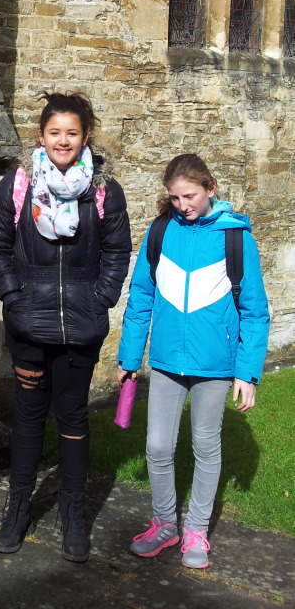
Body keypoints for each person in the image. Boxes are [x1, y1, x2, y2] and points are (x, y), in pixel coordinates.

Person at [0, 91, 131, 561]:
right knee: (28, 418)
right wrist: (13, 296)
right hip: (29, 324)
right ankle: (17, 508)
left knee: (72, 418)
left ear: (85, 137)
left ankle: (73, 511)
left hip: (81, 326)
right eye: (55, 132)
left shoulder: (104, 189)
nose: (63, 141)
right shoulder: (19, 184)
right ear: (41, 136)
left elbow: (117, 251)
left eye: (72, 133)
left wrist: (101, 297)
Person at [117, 153, 270, 570]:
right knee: (157, 446)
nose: (182, 205)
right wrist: (130, 356)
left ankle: (197, 529)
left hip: (215, 365)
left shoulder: (236, 239)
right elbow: (140, 298)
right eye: (175, 197)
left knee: (205, 445)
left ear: (210, 189)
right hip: (167, 361)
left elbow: (255, 312)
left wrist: (247, 373)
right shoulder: (160, 231)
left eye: (190, 196)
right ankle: (165, 524)